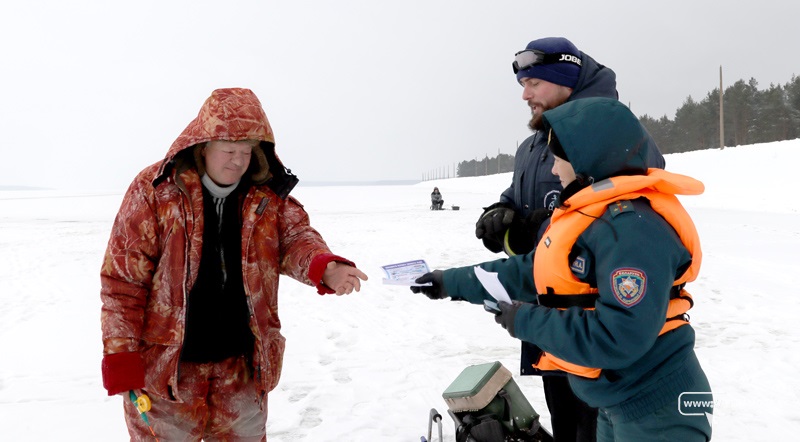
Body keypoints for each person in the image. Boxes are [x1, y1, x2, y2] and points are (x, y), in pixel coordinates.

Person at [413, 97, 713, 441]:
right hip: (617, 400)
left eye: (559, 160)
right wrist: (448, 282)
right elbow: (531, 272)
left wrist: (525, 320)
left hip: (656, 408)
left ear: (589, 160)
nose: (555, 171)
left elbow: (619, 337)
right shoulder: (595, 218)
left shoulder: (632, 229)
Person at [99, 87, 369, 440]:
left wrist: (325, 266)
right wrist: (121, 358)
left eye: (246, 151)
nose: (238, 161)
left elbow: (295, 238)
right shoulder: (156, 190)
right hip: (166, 377)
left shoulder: (266, 195)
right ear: (203, 146)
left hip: (241, 371)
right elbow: (123, 281)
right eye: (228, 150)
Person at [473, 37, 666, 441]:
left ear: (567, 81)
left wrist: (548, 228)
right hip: (548, 321)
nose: (525, 95)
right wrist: (498, 218)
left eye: (534, 83)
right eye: (522, 85)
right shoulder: (532, 146)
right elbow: (516, 203)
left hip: (598, 326)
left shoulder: (612, 134)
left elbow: (636, 215)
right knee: (565, 425)